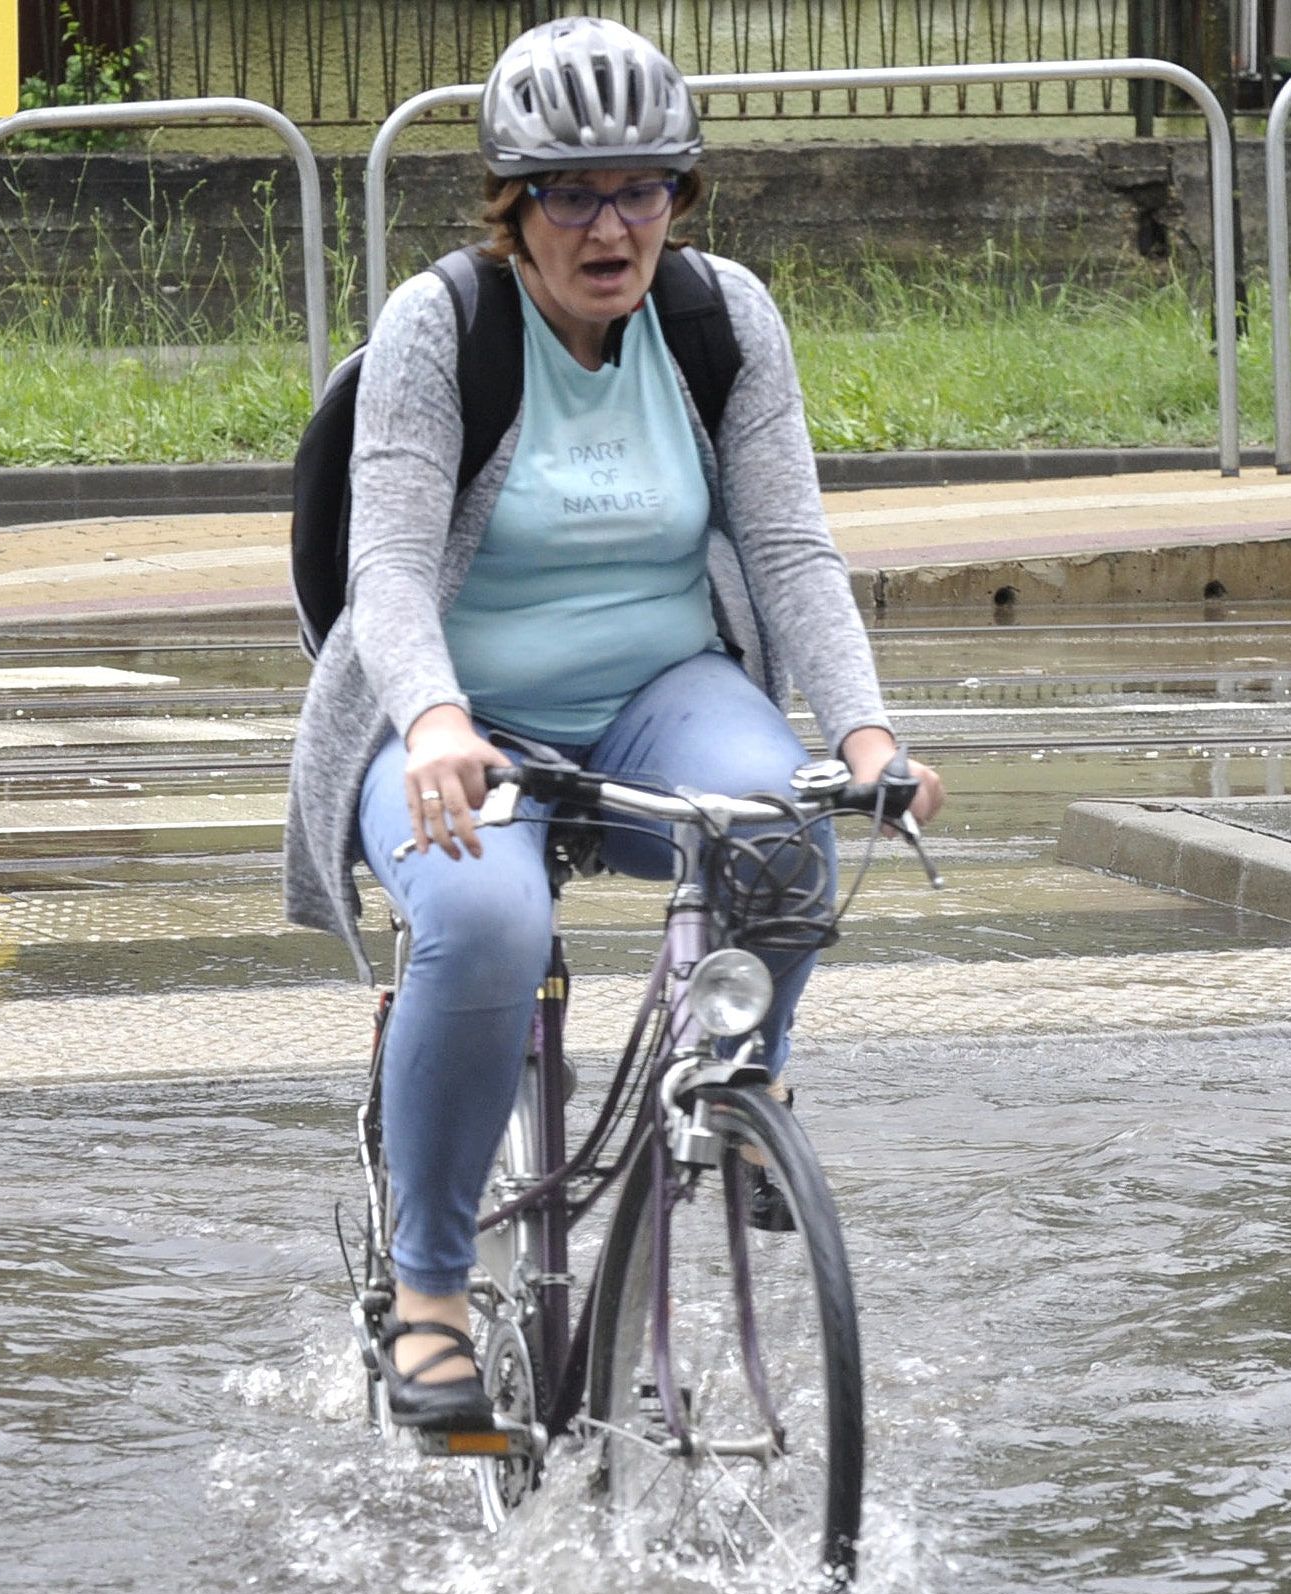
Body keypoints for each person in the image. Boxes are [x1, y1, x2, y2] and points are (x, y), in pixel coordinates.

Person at [281, 16, 944, 1431]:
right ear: (510, 209)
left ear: (680, 198)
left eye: (643, 188)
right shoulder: (441, 325)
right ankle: (432, 1295)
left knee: (783, 835)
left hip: (656, 694)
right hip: (450, 717)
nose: (611, 224)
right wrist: (440, 717)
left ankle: (741, 1088)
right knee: (490, 925)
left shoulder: (724, 322)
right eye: (572, 194)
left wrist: (870, 738)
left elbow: (790, 553)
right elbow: (387, 569)